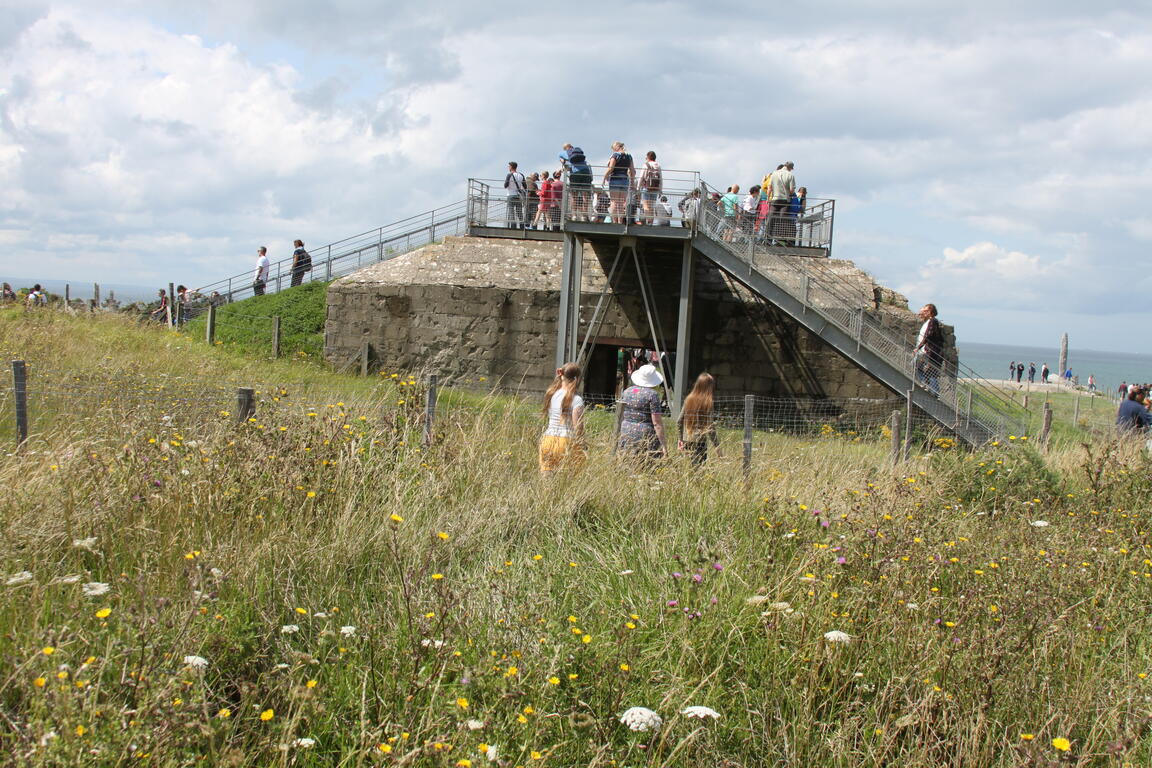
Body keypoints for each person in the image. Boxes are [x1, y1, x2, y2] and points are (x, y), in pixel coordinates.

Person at [539, 363, 586, 475]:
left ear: (561, 375)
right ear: (578, 378)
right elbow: (577, 426)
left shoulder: (551, 394)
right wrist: (583, 443)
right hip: (566, 442)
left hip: (548, 439)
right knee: (568, 482)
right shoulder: (576, 399)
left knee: (547, 481)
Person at [616, 363, 667, 461]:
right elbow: (656, 422)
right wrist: (663, 444)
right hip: (645, 434)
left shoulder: (627, 391)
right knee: (645, 464)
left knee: (626, 461)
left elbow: (621, 414)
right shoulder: (652, 395)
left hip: (626, 431)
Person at [678, 372, 721, 466]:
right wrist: (717, 446)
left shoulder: (688, 399)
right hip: (700, 442)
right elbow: (710, 428)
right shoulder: (708, 402)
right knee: (699, 469)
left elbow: (679, 421)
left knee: (688, 467)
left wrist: (680, 439)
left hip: (687, 439)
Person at [914, 303, 944, 395]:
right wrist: (922, 311)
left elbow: (928, 336)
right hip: (926, 351)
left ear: (931, 312)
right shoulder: (928, 322)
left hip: (930, 351)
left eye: (927, 311)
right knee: (925, 369)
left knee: (930, 371)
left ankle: (933, 391)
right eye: (925, 311)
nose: (924, 312)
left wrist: (918, 348)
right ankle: (928, 386)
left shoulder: (933, 321)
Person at [603, 142, 634, 224]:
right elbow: (632, 171)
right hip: (625, 180)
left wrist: (605, 176)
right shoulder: (629, 156)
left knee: (614, 201)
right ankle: (620, 222)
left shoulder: (615, 156)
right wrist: (633, 183)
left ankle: (614, 222)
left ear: (616, 147)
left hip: (615, 179)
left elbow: (611, 168)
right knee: (621, 202)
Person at [560, 144, 592, 220]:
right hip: (585, 172)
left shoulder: (564, 153)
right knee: (585, 195)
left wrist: (563, 163)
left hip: (575, 174)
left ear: (565, 148)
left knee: (573, 196)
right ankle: (584, 215)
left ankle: (574, 215)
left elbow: (564, 163)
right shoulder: (579, 152)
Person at [768, 161, 796, 243]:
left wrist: (768, 199)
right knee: (782, 220)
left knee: (771, 219)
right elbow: (791, 190)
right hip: (785, 200)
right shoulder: (790, 175)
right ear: (790, 168)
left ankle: (767, 238)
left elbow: (769, 187)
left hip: (775, 199)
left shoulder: (774, 173)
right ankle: (779, 240)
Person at [637, 151, 662, 225]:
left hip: (646, 188)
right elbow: (660, 179)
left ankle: (648, 221)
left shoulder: (646, 165)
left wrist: (638, 188)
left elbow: (641, 177)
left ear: (648, 157)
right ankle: (651, 222)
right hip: (655, 189)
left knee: (646, 206)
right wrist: (660, 190)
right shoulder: (658, 165)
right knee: (652, 206)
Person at [504, 161, 526, 228]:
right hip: (518, 195)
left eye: (508, 166)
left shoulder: (509, 175)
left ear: (511, 167)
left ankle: (513, 227)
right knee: (519, 212)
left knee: (511, 212)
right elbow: (525, 186)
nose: (508, 167)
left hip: (510, 195)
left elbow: (505, 185)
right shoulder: (521, 175)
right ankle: (522, 227)